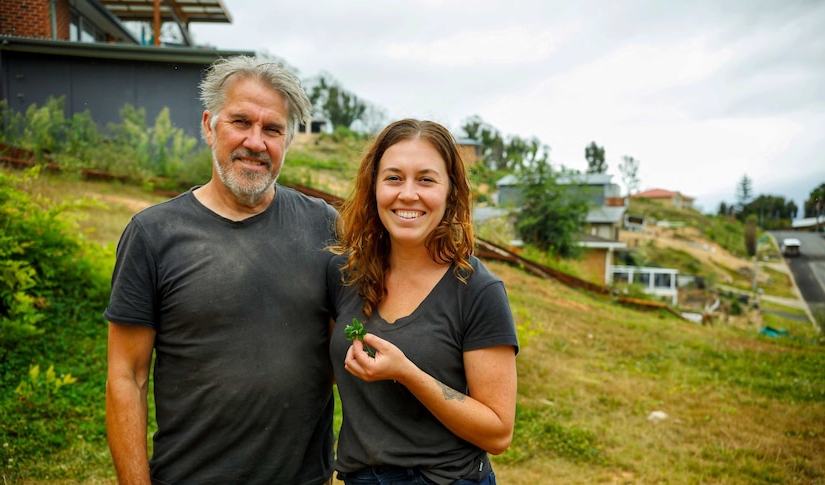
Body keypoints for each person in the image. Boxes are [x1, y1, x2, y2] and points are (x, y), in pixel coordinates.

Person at [104, 55, 337, 484]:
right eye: (240, 122)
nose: (255, 142)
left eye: (272, 129)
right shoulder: (153, 235)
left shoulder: (324, 225)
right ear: (209, 125)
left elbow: (355, 335)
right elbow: (126, 376)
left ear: (288, 139)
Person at [327, 119, 518, 485]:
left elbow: (497, 433)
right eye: (394, 178)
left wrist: (407, 373)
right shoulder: (344, 275)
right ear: (373, 188)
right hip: (360, 477)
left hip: (444, 479)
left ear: (451, 193)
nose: (408, 194)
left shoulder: (477, 290)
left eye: (426, 180)